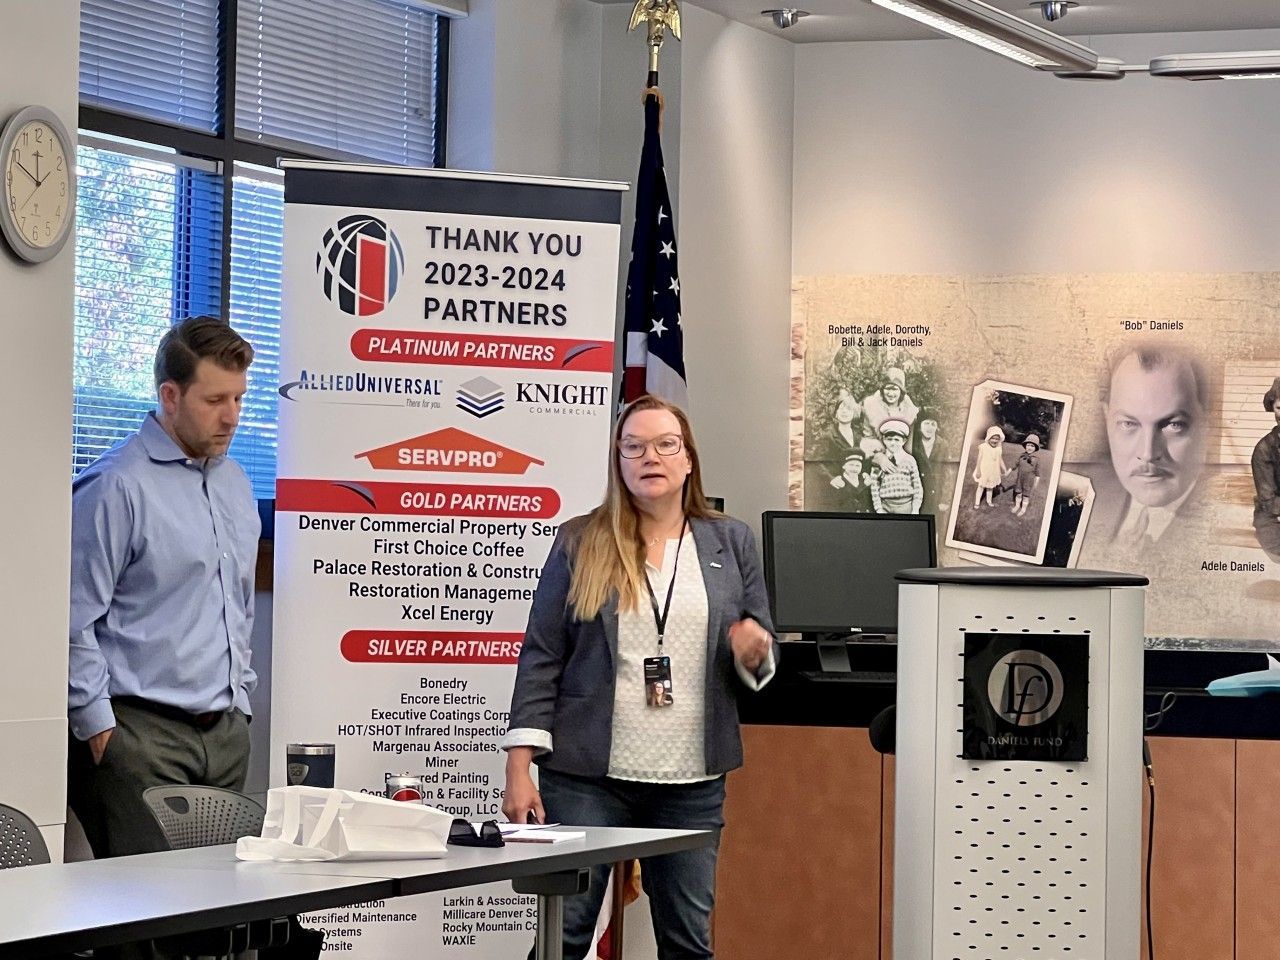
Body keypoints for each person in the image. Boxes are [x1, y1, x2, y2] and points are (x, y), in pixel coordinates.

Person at [501, 394, 778, 960]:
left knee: (687, 942)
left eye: (665, 445)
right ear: (619, 461)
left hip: (691, 783)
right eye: (634, 447)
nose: (651, 457)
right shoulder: (580, 541)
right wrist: (518, 768)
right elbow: (542, 656)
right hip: (586, 779)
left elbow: (760, 654)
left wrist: (753, 651)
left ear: (688, 459)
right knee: (565, 934)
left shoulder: (731, 541)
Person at [68, 316, 259, 860]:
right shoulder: (115, 486)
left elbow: (238, 604)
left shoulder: (234, 481)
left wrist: (241, 703)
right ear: (170, 396)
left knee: (222, 902)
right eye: (215, 400)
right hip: (139, 738)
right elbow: (71, 619)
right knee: (147, 907)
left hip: (224, 735)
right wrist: (100, 731)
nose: (232, 416)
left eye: (239, 399)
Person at [1103, 343, 1209, 547]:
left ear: (1205, 426)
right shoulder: (1081, 492)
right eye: (1128, 424)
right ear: (1106, 419)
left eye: (1174, 425)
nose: (1148, 453)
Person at [1251, 377, 1280, 561]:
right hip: (1272, 516)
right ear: (1272, 408)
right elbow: (1268, 501)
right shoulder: (1264, 450)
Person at [870, 419, 923, 514]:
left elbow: (917, 486)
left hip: (906, 506)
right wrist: (879, 509)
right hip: (885, 506)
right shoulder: (879, 461)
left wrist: (915, 509)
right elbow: (874, 486)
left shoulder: (909, 460)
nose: (893, 443)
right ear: (884, 439)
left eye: (897, 440)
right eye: (889, 439)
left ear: (904, 441)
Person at [861, 367, 920, 443]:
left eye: (895, 389)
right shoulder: (872, 407)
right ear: (882, 390)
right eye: (888, 389)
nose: (891, 394)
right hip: (876, 447)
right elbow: (869, 437)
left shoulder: (909, 412)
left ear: (901, 391)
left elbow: (909, 443)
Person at [972, 425, 1009, 509]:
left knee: (990, 487)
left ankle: (989, 501)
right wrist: (978, 470)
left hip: (993, 471)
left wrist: (1004, 468)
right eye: (993, 438)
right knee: (981, 486)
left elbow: (1000, 459)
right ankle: (977, 502)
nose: (994, 441)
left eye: (997, 439)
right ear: (988, 438)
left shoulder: (998, 448)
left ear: (999, 440)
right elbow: (979, 459)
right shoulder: (983, 447)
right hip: (984, 470)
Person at [911, 409, 941, 513]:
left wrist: (944, 499)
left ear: (937, 428)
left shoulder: (942, 445)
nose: (929, 427)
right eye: (926, 423)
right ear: (920, 426)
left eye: (933, 424)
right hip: (917, 492)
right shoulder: (913, 444)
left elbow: (946, 473)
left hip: (935, 493)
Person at [1012, 433, 1042, 518]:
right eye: (1028, 445)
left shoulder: (1037, 460)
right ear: (1025, 446)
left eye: (1032, 446)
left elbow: (1038, 473)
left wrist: (1036, 483)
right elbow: (1015, 465)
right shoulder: (1021, 456)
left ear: (1035, 448)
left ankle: (1023, 509)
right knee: (1018, 493)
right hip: (1020, 480)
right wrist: (1010, 469)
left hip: (1028, 482)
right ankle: (1017, 506)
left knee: (1026, 496)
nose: (1029, 447)